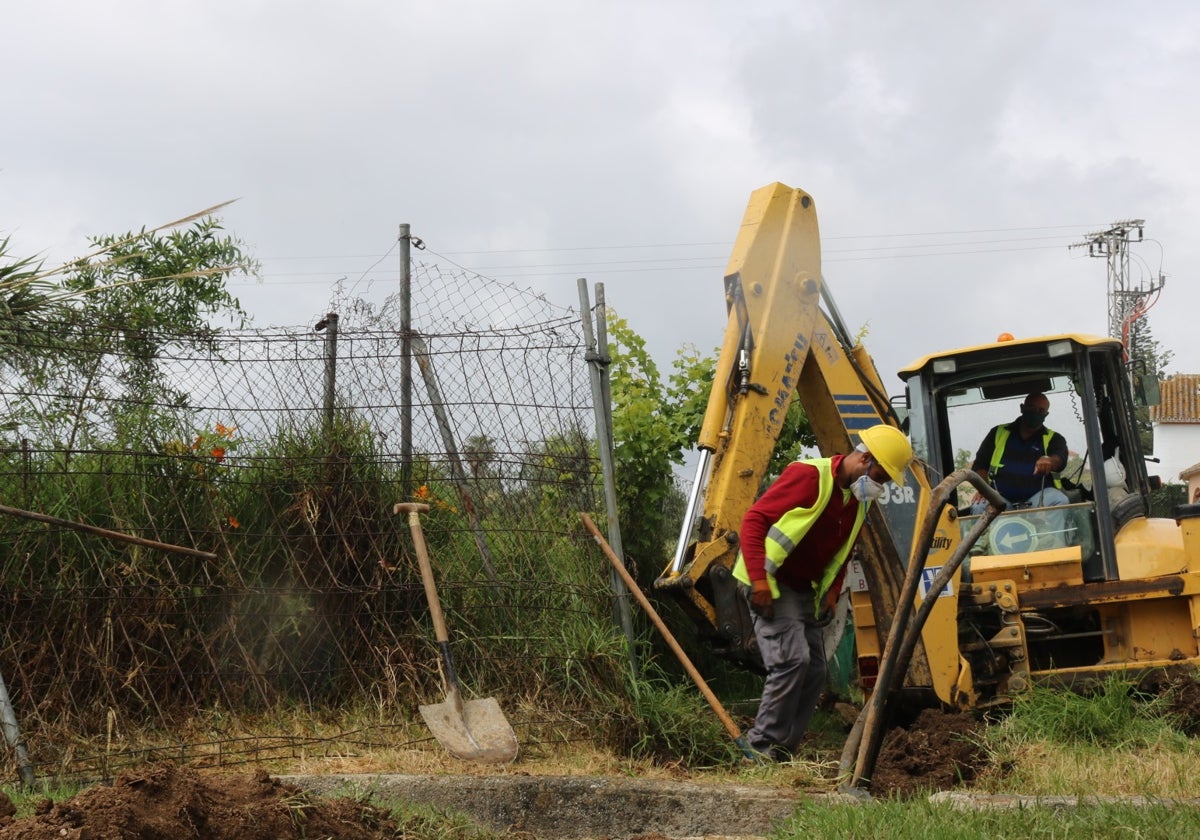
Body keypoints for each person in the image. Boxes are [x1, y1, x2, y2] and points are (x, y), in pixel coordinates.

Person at [731, 424, 913, 763]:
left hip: (806, 589)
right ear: (864, 458)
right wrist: (758, 581)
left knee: (815, 671)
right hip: (771, 582)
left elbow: (843, 552)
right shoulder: (808, 477)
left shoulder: (858, 503)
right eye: (882, 475)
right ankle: (758, 748)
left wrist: (831, 592)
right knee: (791, 660)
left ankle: (782, 751)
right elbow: (754, 520)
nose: (881, 486)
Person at [970, 391, 1069, 513]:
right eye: (1032, 408)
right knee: (979, 506)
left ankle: (1053, 534)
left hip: (1040, 499)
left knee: (1060, 501)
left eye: (1041, 410)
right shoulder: (998, 433)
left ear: (1046, 414)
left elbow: (1060, 458)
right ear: (1022, 408)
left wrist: (1050, 461)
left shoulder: (1054, 438)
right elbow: (980, 464)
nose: (1036, 412)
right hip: (1000, 499)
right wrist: (983, 489)